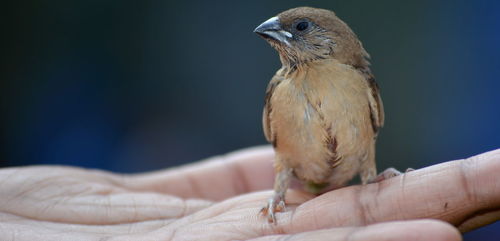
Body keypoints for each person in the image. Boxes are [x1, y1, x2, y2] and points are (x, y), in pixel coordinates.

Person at [0, 146, 498, 241]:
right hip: (293, 183)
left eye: (301, 28)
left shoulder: (360, 83)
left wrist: (375, 176)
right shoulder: (281, 89)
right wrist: (278, 195)